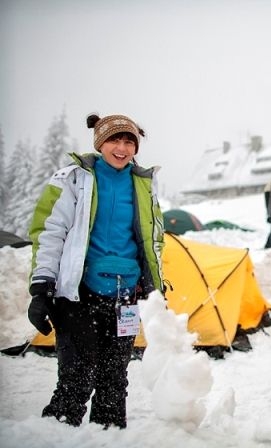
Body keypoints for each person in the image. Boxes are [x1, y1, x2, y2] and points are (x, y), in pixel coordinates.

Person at [27, 113, 165, 429]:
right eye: (115, 140)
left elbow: (154, 238)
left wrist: (156, 286)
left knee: (114, 378)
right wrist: (42, 285)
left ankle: (109, 434)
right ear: (99, 142)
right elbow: (49, 231)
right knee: (77, 374)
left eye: (129, 141)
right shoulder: (73, 179)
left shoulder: (143, 185)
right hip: (79, 293)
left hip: (126, 294)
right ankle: (59, 433)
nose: (122, 148)